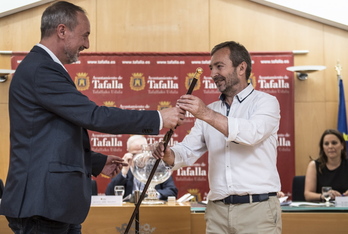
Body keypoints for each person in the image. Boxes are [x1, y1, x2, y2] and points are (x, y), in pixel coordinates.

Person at [0, 1, 184, 234]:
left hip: (54, 205)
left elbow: (50, 140)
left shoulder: (44, 68)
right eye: (84, 35)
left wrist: (95, 162)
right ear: (62, 30)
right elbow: (93, 115)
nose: (87, 44)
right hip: (43, 204)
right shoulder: (41, 69)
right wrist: (158, 118)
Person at [153, 41, 282, 233]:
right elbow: (187, 151)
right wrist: (168, 153)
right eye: (211, 68)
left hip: (257, 210)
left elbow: (251, 134)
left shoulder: (266, 102)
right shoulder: (210, 111)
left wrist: (206, 114)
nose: (213, 74)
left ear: (241, 68)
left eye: (219, 66)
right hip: (217, 213)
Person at [105, 135, 178, 200]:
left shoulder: (157, 166)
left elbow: (171, 190)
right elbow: (109, 193)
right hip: (129, 210)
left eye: (140, 153)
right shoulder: (125, 169)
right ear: (128, 151)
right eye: (134, 154)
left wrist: (153, 195)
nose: (138, 158)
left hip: (152, 209)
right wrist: (124, 171)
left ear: (147, 151)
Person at [304, 129, 348, 202]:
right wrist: (324, 196)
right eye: (326, 144)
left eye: (334, 143)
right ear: (323, 147)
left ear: (342, 145)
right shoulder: (314, 165)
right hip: (322, 210)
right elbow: (308, 194)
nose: (330, 146)